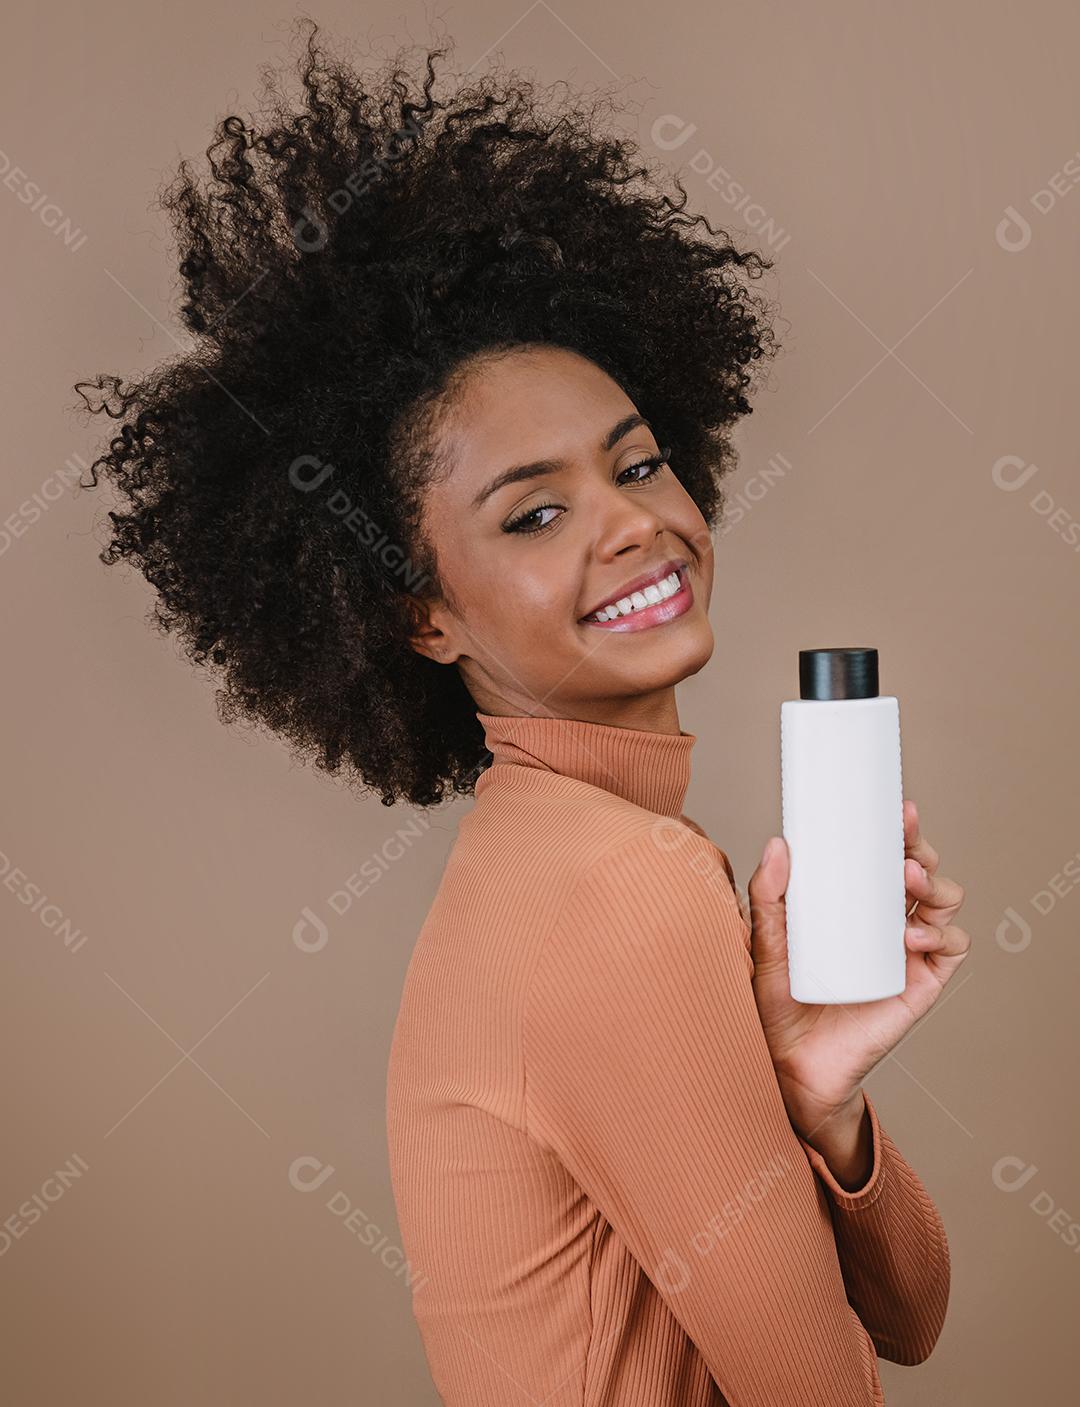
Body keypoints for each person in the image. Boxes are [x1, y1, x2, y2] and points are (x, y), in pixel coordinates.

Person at [73, 21, 969, 1405]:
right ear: (418, 611)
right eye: (537, 511)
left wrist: (817, 1097)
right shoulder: (614, 888)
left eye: (640, 462)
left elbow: (912, 1316)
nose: (634, 526)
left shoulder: (571, 851)